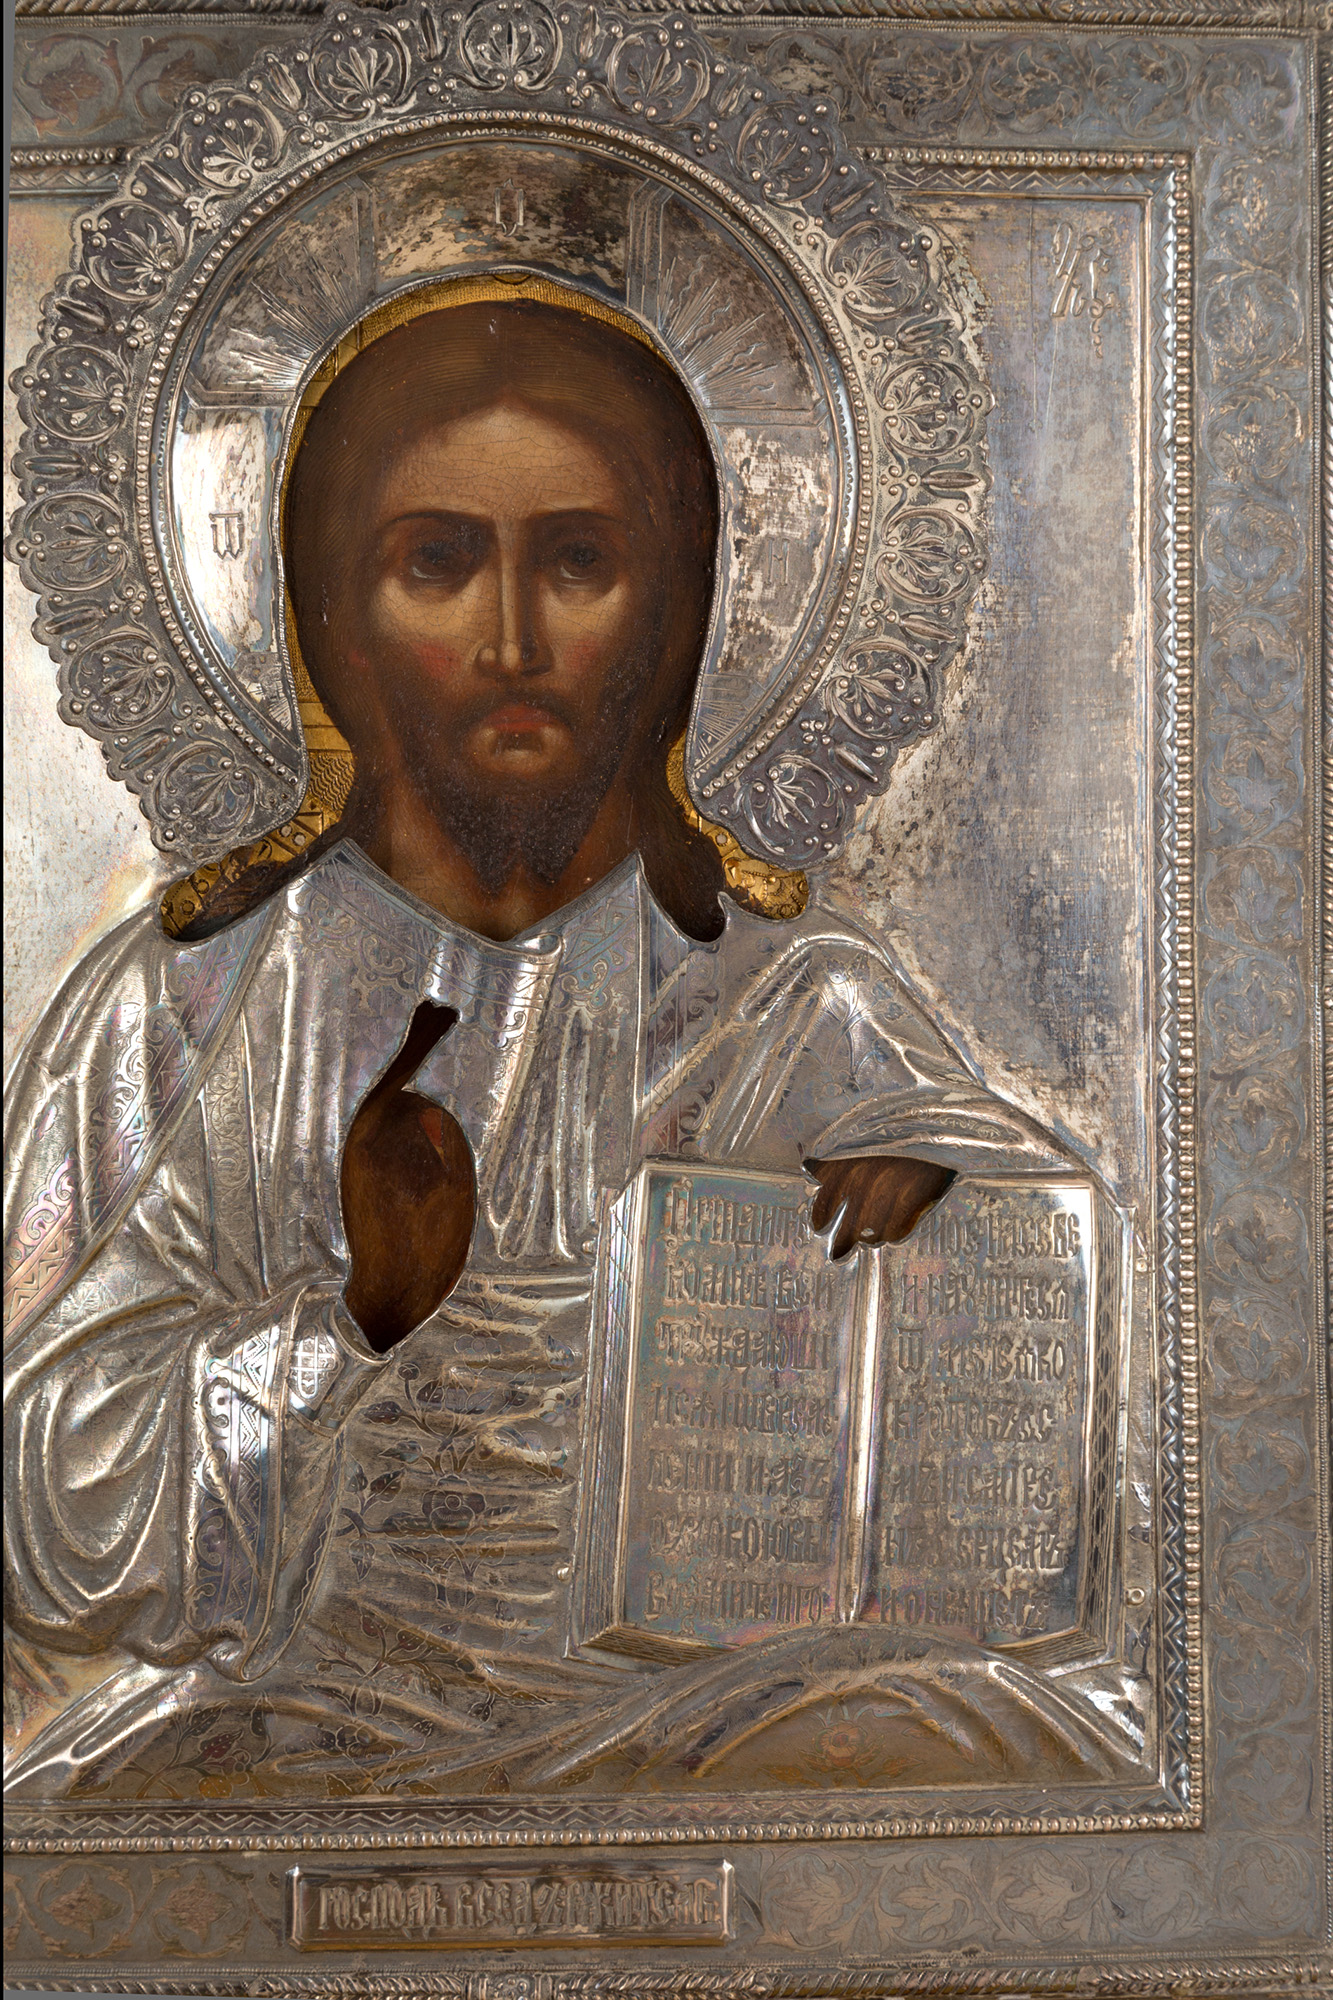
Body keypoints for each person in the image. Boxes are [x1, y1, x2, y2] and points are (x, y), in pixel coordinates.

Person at [3, 289, 1128, 1799]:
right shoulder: (195, 1003)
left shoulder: (805, 1003)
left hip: (737, 1734)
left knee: (1004, 1742)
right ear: (332, 612)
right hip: (305, 1737)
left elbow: (1060, 1436)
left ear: (672, 613)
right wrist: (352, 1324)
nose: (511, 640)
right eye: (437, 561)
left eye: (579, 561)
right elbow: (42, 1507)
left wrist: (943, 1237)